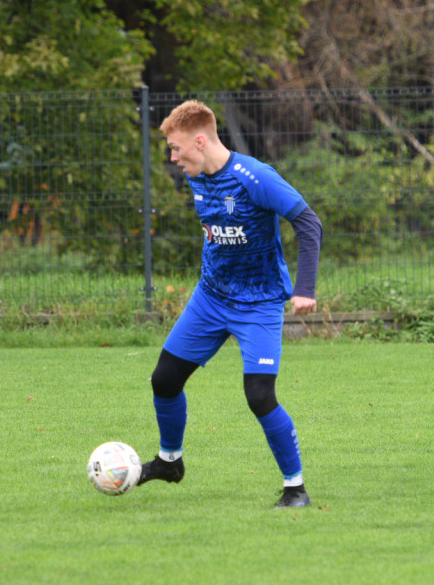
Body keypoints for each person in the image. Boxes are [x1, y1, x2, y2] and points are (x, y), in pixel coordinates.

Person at [138, 100, 322, 509]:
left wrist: (304, 288)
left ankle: (296, 489)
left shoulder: (254, 177)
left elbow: (308, 222)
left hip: (258, 303)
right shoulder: (198, 173)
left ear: (200, 141)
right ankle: (170, 462)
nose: (172, 157)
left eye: (175, 148)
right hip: (211, 297)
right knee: (164, 380)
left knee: (259, 395)